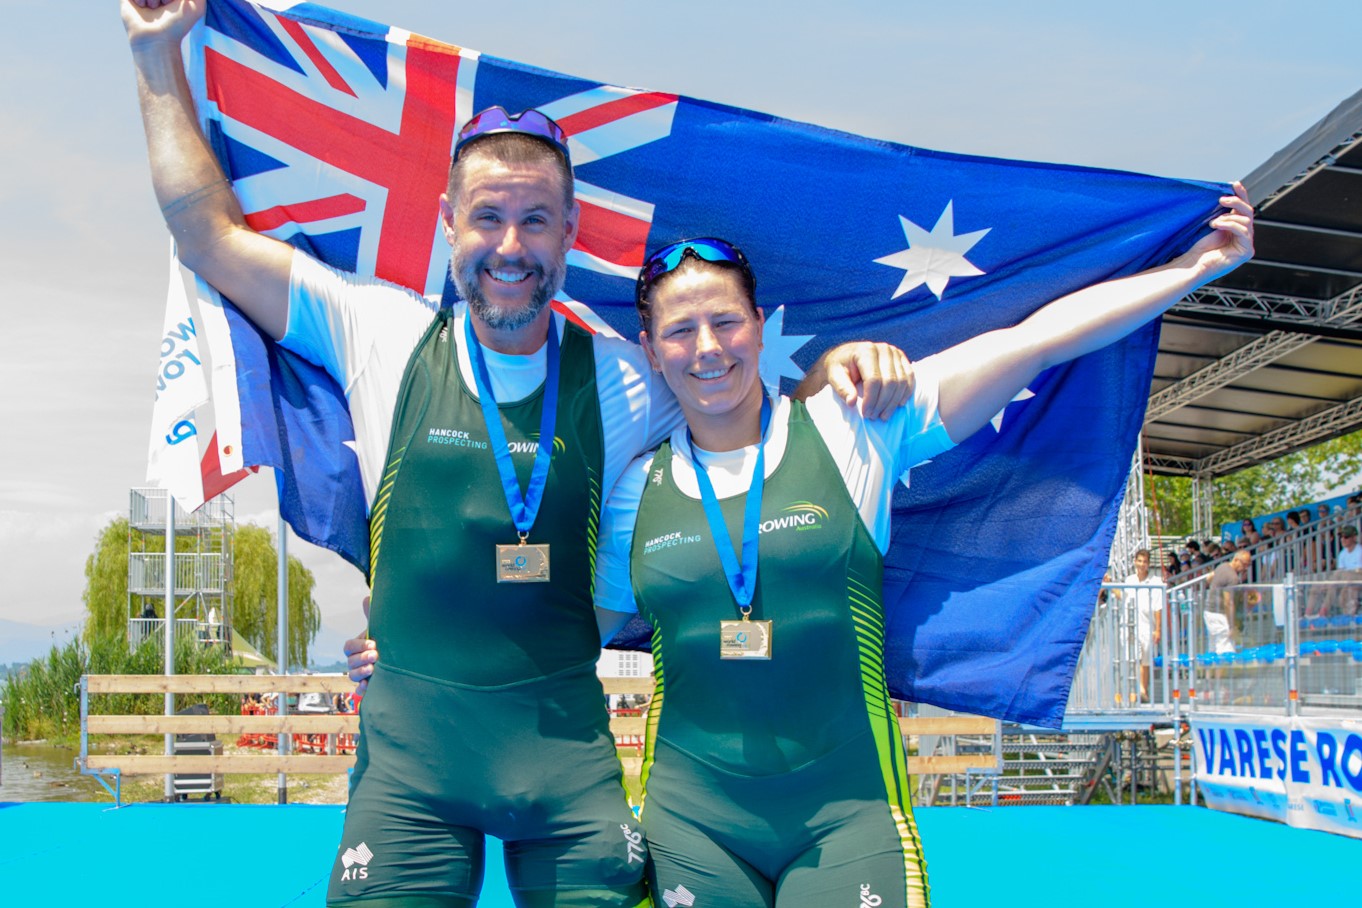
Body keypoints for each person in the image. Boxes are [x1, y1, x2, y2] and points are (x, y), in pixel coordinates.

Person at [121, 4, 908, 904]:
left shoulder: (623, 377)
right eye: (488, 217)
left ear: (570, 230)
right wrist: (156, 56)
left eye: (536, 221)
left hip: (564, 767)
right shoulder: (379, 333)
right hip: (411, 766)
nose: (510, 246)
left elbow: (740, 398)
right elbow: (209, 237)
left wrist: (836, 378)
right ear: (448, 222)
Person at [355, 175, 1251, 904]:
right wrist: (403, 645)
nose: (708, 348)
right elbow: (549, 627)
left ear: (760, 328)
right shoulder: (631, 493)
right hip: (690, 824)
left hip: (848, 818)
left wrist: (1195, 268)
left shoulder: (855, 429)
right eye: (681, 332)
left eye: (725, 322)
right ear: (652, 351)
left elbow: (1036, 342)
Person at [1122, 549, 1165, 701]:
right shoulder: (1129, 580)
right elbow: (1123, 597)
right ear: (1135, 562)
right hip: (1130, 623)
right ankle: (1135, 690)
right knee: (1134, 657)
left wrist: (1158, 629)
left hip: (1147, 625)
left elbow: (1158, 607)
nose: (1141, 564)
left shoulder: (1155, 582)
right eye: (1139, 561)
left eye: (1144, 562)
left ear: (1148, 564)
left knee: (1145, 659)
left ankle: (1143, 689)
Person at [1206, 548, 1252, 653]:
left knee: (1213, 649)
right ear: (1236, 560)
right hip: (1220, 615)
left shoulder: (1222, 566)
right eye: (1244, 564)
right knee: (1226, 650)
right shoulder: (1233, 578)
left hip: (1209, 611)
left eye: (1248, 565)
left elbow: (1209, 578)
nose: (1245, 568)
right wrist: (1232, 626)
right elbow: (1228, 602)